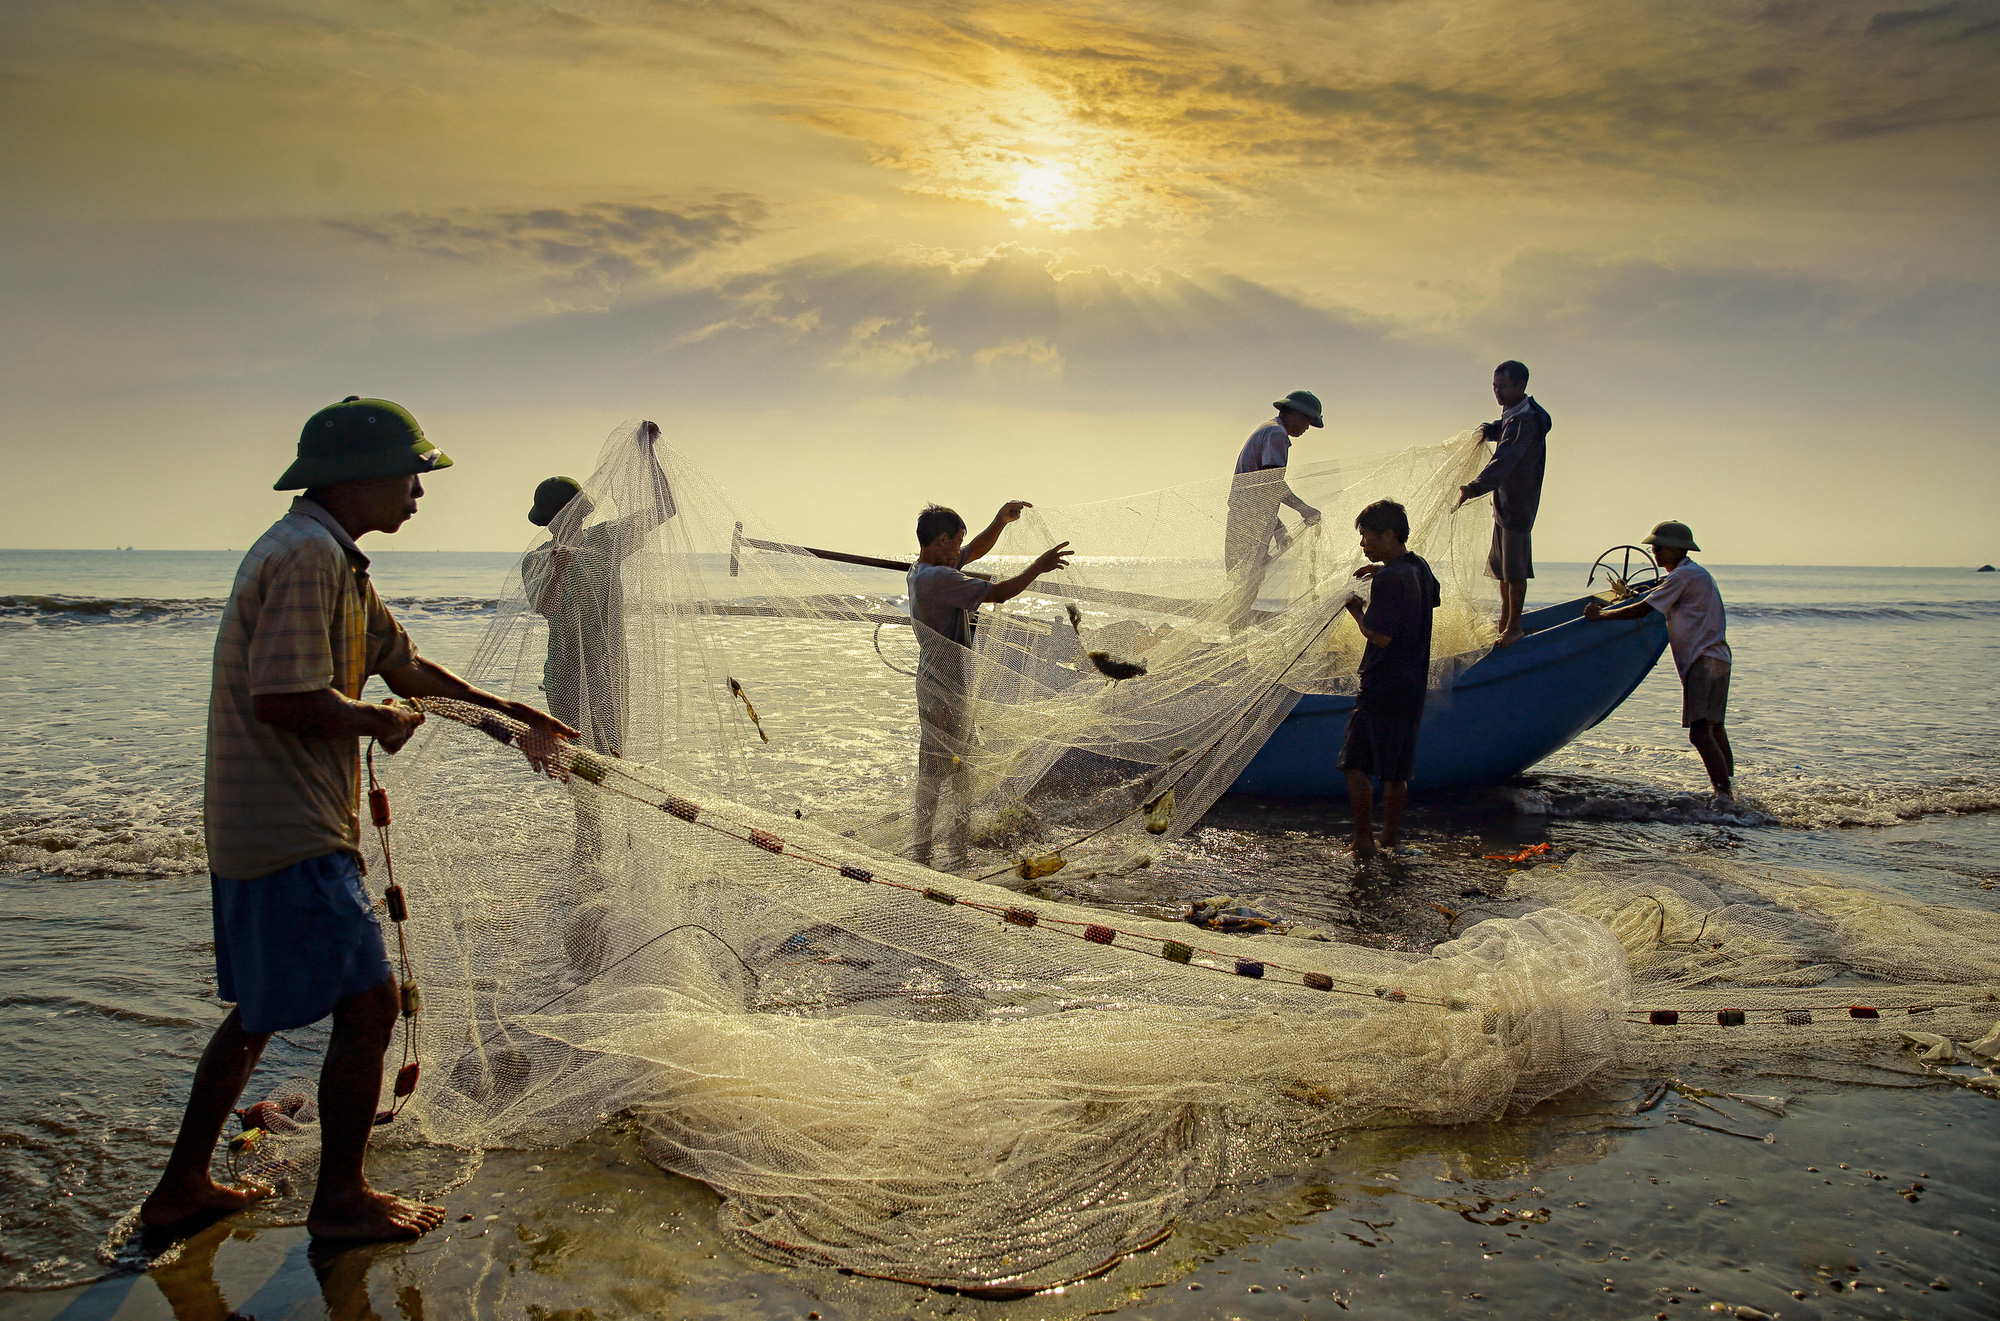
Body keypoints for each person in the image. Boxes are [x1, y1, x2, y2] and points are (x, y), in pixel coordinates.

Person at [140, 397, 577, 1244]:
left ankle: (181, 1187)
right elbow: (283, 697)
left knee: (262, 1011)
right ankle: (339, 1200)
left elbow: (404, 664)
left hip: (270, 822)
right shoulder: (307, 558)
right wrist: (374, 723)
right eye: (409, 473)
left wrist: (510, 710)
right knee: (371, 1003)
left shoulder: (332, 557)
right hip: (287, 825)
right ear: (358, 477)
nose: (418, 490)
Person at [906, 502, 1072, 870]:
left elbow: (973, 551)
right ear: (942, 539)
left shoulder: (923, 570)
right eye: (956, 542)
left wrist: (999, 522)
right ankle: (923, 850)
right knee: (935, 768)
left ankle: (957, 843)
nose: (960, 551)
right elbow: (998, 593)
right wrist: (1038, 567)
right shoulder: (937, 579)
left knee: (960, 765)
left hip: (944, 681)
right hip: (942, 686)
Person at [521, 420, 677, 759]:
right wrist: (557, 572)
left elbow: (665, 509)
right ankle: (586, 814)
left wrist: (647, 454)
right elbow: (546, 609)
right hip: (565, 670)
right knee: (576, 757)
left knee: (610, 754)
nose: (558, 522)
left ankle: (600, 813)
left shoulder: (605, 540)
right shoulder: (537, 559)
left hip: (607, 665)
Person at [1584, 521, 1735, 802]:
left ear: (1680, 549)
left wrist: (1601, 616)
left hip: (1702, 659)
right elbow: (1655, 593)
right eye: (1654, 546)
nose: (1655, 551)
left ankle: (1724, 796)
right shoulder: (1691, 574)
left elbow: (1643, 609)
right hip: (1718, 658)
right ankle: (1730, 790)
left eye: (1662, 547)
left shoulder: (1683, 576)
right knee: (1714, 727)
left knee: (1700, 733)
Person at [1338, 499, 1440, 859]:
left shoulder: (1392, 579)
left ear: (1389, 534)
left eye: (1367, 536)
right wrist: (1383, 574)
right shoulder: (1419, 568)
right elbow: (1429, 599)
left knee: (1355, 764)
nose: (1362, 545)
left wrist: (1357, 612)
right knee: (1396, 770)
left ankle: (1363, 842)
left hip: (1381, 684)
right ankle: (1390, 840)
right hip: (1412, 685)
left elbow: (1379, 636)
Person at [1454, 361, 1551, 646]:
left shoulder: (1527, 420)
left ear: (1520, 387)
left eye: (1503, 387)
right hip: (1503, 505)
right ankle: (1505, 622)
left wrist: (1475, 487)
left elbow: (1506, 457)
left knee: (1514, 571)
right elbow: (1505, 432)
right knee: (1502, 571)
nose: (1497, 392)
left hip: (1518, 505)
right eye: (1494, 386)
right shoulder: (1513, 415)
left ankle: (1514, 627)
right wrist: (1490, 429)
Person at [1225, 391, 1325, 621]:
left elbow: (1259, 494)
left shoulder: (1267, 429)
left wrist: (1278, 530)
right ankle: (1239, 647)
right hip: (1249, 523)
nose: (1307, 428)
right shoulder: (1276, 434)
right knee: (1245, 589)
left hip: (1247, 519)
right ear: (1297, 414)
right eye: (1308, 421)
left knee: (1244, 588)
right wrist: (1304, 509)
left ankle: (1240, 645)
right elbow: (1272, 483)